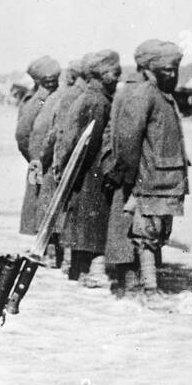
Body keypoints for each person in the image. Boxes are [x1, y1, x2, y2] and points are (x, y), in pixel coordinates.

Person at [111, 39, 189, 303]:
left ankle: (150, 284)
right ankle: (149, 289)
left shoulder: (164, 97)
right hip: (150, 180)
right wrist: (132, 178)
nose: (171, 74)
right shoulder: (143, 94)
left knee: (157, 234)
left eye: (174, 69)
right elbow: (128, 141)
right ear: (148, 68)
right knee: (146, 235)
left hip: (167, 180)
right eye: (165, 69)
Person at [55, 50, 121, 285]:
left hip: (83, 173)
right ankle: (93, 272)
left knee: (83, 222)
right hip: (91, 173)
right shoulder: (98, 101)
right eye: (115, 71)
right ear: (102, 73)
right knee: (93, 224)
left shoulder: (90, 97)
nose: (118, 76)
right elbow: (88, 142)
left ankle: (79, 270)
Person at [27, 57, 80, 264]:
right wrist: (37, 159)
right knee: (50, 207)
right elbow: (31, 133)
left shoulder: (60, 96)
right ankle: (51, 254)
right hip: (49, 162)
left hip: (53, 160)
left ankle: (56, 255)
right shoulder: (46, 99)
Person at [16, 54, 60, 237]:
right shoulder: (36, 101)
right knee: (38, 198)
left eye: (53, 80)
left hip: (46, 159)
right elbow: (22, 135)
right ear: (37, 80)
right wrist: (35, 158)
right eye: (46, 80)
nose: (51, 83)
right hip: (38, 161)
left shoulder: (57, 96)